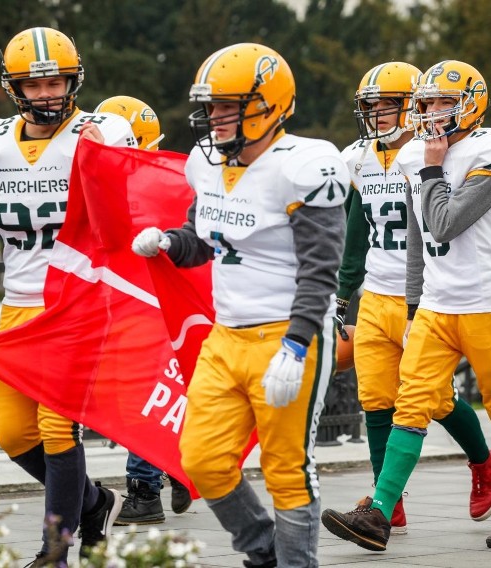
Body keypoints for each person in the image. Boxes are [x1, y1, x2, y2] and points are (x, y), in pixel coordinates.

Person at [132, 42, 349, 567]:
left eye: (230, 106)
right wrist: (167, 242)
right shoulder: (209, 168)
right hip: (225, 336)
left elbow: (321, 270)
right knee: (201, 461)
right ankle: (261, 547)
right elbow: (206, 240)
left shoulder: (305, 165)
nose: (216, 117)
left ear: (270, 104)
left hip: (287, 333)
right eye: (212, 107)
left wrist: (297, 345)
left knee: (286, 468)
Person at [320, 60, 491, 552]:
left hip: (483, 302)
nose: (435, 112)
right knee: (409, 406)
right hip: (434, 307)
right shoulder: (412, 156)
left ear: (471, 104)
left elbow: (445, 222)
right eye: (429, 103)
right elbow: (421, 240)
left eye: (445, 102)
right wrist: (417, 304)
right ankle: (379, 514)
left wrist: (430, 166)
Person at [0, 27, 133, 565]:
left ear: (73, 78)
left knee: (58, 427)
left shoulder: (98, 135)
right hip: (18, 308)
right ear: (15, 89)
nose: (47, 93)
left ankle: (56, 548)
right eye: (34, 85)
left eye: (55, 80)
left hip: (74, 305)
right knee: (12, 434)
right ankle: (96, 502)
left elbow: (126, 217)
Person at [93, 94, 193, 526]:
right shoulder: (168, 180)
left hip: (135, 300)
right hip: (153, 298)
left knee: (139, 395)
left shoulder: (130, 182)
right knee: (157, 392)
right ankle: (178, 465)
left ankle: (144, 490)